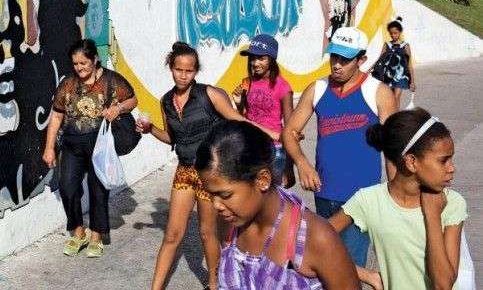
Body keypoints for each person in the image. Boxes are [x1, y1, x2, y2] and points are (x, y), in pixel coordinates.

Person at [137, 41, 250, 290]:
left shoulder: (210, 94)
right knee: (172, 234)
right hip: (185, 171)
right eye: (179, 69)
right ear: (171, 68)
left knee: (207, 232)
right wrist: (150, 129)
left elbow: (238, 121)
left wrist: (269, 137)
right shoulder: (166, 101)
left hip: (210, 173)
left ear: (196, 71)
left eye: (188, 71)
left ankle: (213, 283)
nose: (183, 75)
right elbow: (171, 137)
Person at [282, 26, 397, 267]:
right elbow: (290, 132)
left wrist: (397, 194)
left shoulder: (378, 92)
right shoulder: (318, 89)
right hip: (324, 193)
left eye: (345, 60)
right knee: (325, 263)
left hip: (362, 197)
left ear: (361, 60)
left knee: (351, 266)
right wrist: (303, 165)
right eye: (334, 57)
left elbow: (393, 147)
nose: (336, 65)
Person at [196, 123, 360, 289]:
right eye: (211, 194)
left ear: (263, 180)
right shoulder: (230, 223)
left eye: (225, 195)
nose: (216, 205)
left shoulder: (315, 237)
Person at [329, 108, 466, 290]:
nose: (452, 168)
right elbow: (312, 240)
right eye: (443, 160)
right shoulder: (369, 200)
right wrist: (365, 274)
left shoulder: (452, 203)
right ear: (411, 162)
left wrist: (432, 214)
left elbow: (443, 284)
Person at [42, 39, 137, 258]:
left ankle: (96, 235)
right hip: (72, 143)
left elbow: (133, 100)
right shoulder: (68, 84)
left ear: (94, 59)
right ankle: (78, 232)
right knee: (67, 187)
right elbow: (56, 116)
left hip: (100, 145)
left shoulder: (111, 80)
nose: (79, 68)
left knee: (98, 189)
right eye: (75, 64)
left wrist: (118, 108)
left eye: (83, 63)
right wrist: (49, 148)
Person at [232, 34, 295, 187]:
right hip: (251, 146)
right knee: (250, 194)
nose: (255, 63)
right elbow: (245, 118)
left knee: (272, 198)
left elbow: (291, 129)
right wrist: (239, 104)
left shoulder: (283, 87)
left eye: (261, 58)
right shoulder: (248, 83)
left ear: (272, 59)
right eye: (252, 58)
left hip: (274, 150)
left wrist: (289, 167)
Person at [373, 17, 415, 105]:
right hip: (388, 76)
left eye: (395, 33)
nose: (393, 35)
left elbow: (409, 64)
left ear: (400, 32)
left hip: (401, 76)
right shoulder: (387, 45)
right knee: (390, 97)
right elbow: (380, 59)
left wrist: (412, 81)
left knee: (396, 97)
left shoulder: (405, 46)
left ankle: (395, 117)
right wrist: (371, 69)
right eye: (391, 33)